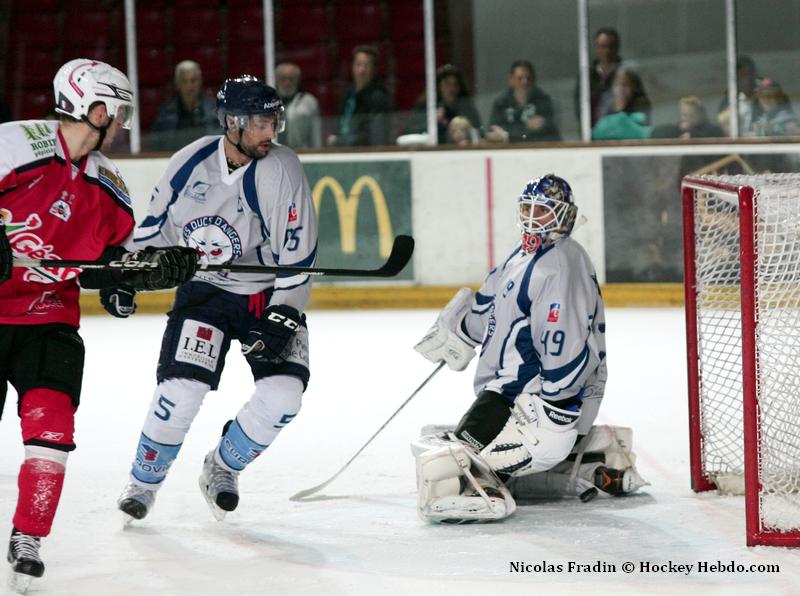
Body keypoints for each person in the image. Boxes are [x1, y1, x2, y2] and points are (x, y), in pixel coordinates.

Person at [0, 59, 196, 589]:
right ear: (94, 107)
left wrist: (152, 271)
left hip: (48, 318)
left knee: (52, 427)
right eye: (119, 111)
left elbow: (116, 264)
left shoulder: (108, 183)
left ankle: (28, 536)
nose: (123, 123)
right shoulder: (14, 144)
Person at [109, 75, 318, 524]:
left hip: (265, 294)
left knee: (285, 396)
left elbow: (298, 256)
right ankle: (143, 483)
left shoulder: (282, 169)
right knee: (181, 390)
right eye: (260, 123)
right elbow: (154, 228)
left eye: (274, 122)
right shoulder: (191, 161)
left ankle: (222, 466)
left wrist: (284, 312)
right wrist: (126, 274)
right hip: (204, 291)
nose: (270, 132)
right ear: (233, 123)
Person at [411, 174, 646, 523]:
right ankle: (585, 463)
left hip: (529, 401)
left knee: (449, 471)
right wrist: (461, 333)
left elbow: (564, 344)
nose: (534, 217)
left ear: (564, 215)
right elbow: (491, 300)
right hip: (508, 392)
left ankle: (535, 467)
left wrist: (555, 412)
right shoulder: (526, 253)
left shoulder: (560, 266)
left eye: (544, 210)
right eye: (528, 208)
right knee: (441, 448)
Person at [327, 46, 392, 147]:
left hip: (364, 152)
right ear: (352, 67)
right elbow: (340, 123)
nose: (361, 70)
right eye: (358, 64)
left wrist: (339, 141)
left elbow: (372, 135)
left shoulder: (378, 98)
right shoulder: (348, 94)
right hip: (343, 150)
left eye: (366, 65)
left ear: (374, 69)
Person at [148, 60, 219, 152]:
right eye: (184, 81)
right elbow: (155, 143)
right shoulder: (166, 113)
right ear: (177, 84)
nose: (189, 86)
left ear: (200, 82)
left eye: (193, 80)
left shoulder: (215, 110)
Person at [403, 64, 482, 145]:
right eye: (447, 84)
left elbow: (479, 132)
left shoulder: (467, 109)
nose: (452, 89)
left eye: (455, 84)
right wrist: (432, 122)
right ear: (438, 87)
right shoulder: (425, 107)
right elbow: (408, 132)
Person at [485, 60, 560, 143]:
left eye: (528, 78)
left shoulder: (542, 100)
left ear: (534, 79)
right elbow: (493, 132)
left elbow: (549, 131)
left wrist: (508, 135)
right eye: (520, 78)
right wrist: (526, 129)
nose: (525, 82)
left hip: (537, 148)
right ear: (511, 79)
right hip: (509, 150)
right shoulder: (501, 103)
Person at [575, 27, 622, 126]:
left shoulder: (625, 74)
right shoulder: (586, 76)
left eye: (611, 46)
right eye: (603, 46)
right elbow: (580, 107)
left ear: (617, 48)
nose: (607, 51)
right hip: (593, 130)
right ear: (596, 48)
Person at [591, 67, 652, 140]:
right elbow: (597, 133)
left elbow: (641, 134)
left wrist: (620, 114)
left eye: (625, 85)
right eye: (617, 85)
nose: (621, 89)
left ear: (634, 88)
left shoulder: (641, 104)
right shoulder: (607, 105)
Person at [275, 62, 322, 149]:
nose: (287, 82)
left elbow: (316, 134)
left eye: (291, 79)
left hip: (301, 153)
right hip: (273, 153)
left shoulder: (309, 102)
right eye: (283, 78)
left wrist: (317, 152)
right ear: (276, 79)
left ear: (298, 80)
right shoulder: (267, 102)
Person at [717, 55, 763, 137]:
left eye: (750, 74)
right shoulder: (728, 102)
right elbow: (723, 129)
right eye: (741, 76)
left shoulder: (765, 99)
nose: (748, 79)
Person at [650, 96, 724, 139]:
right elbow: (658, 133)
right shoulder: (675, 130)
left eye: (691, 115)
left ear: (700, 116)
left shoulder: (712, 130)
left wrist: (693, 136)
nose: (685, 119)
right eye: (684, 115)